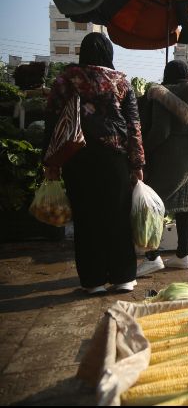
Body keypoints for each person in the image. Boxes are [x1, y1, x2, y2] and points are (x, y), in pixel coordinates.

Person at [43, 33, 144, 295]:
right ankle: (123, 277)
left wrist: (50, 162)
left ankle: (93, 280)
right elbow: (133, 126)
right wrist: (137, 164)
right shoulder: (120, 81)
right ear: (109, 53)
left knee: (86, 219)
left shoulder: (65, 80)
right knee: (118, 216)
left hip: (77, 158)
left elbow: (52, 123)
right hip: (115, 159)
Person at [136, 60, 188, 276]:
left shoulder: (161, 94)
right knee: (184, 207)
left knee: (153, 205)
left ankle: (152, 257)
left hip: (170, 157)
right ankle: (183, 255)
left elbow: (161, 131)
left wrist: (143, 150)